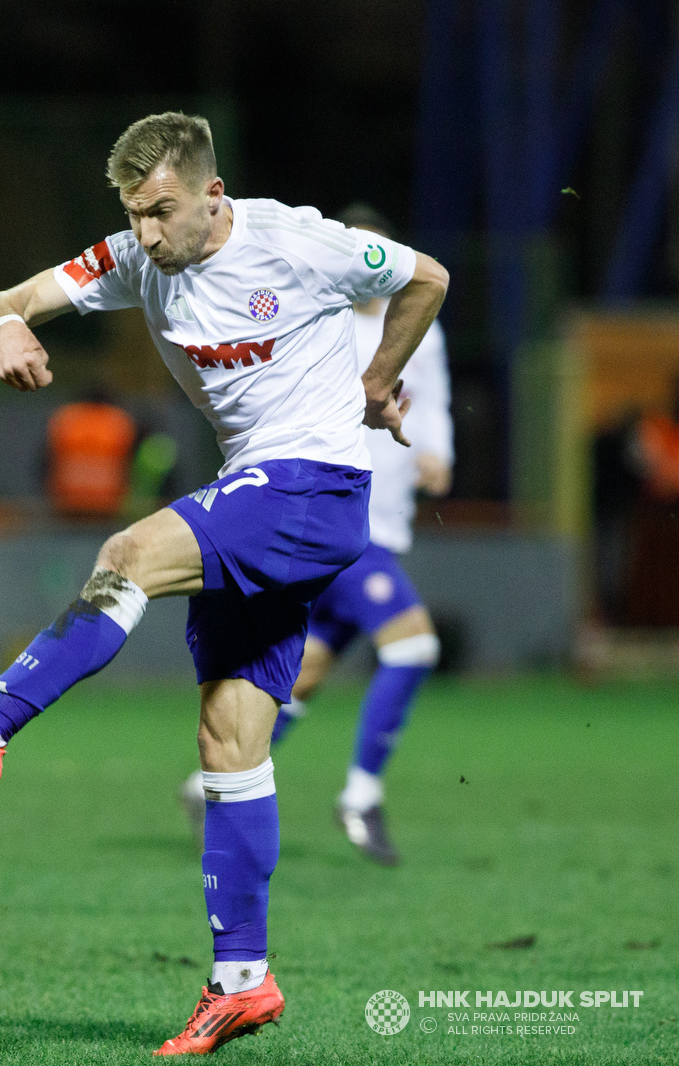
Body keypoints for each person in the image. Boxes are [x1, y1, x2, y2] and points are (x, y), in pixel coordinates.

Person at [0, 113, 447, 1054]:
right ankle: (243, 982)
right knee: (230, 738)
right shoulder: (137, 258)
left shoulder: (297, 242)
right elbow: (7, 299)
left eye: (163, 212)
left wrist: (378, 381)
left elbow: (426, 276)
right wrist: (7, 329)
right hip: (261, 486)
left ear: (212, 194)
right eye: (135, 215)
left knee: (129, 553)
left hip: (313, 483)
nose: (148, 234)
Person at [177, 204, 452, 867]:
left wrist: (437, 450)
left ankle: (205, 784)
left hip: (387, 523)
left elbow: (433, 397)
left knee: (303, 678)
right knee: (413, 646)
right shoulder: (313, 322)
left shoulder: (417, 331)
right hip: (337, 523)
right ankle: (361, 794)